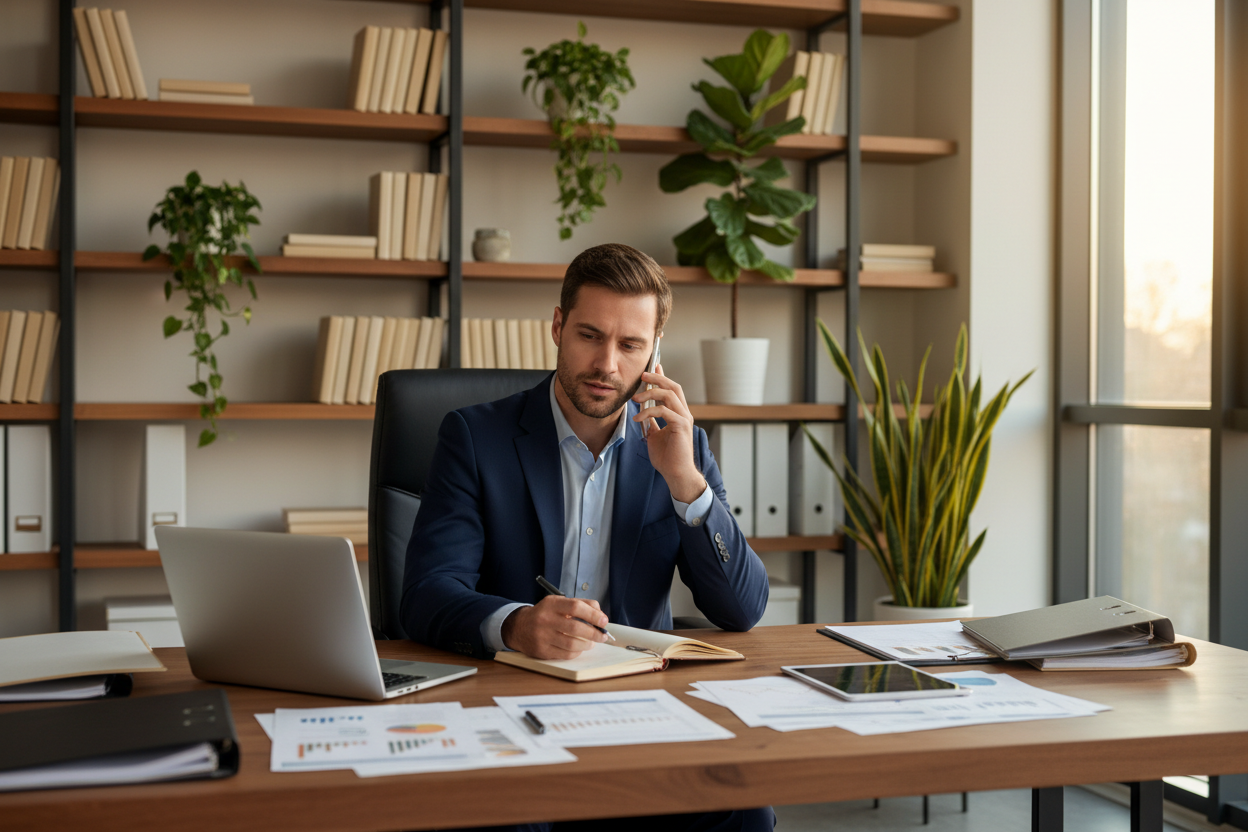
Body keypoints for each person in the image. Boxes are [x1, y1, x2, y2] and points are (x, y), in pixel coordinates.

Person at [401, 243, 774, 832]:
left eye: (630, 345)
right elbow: (426, 594)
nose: (606, 364)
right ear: (557, 326)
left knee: (745, 806)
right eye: (589, 336)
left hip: (639, 710)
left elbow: (741, 608)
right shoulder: (475, 437)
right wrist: (517, 623)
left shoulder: (683, 448)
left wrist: (684, 481)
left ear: (655, 351)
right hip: (512, 702)